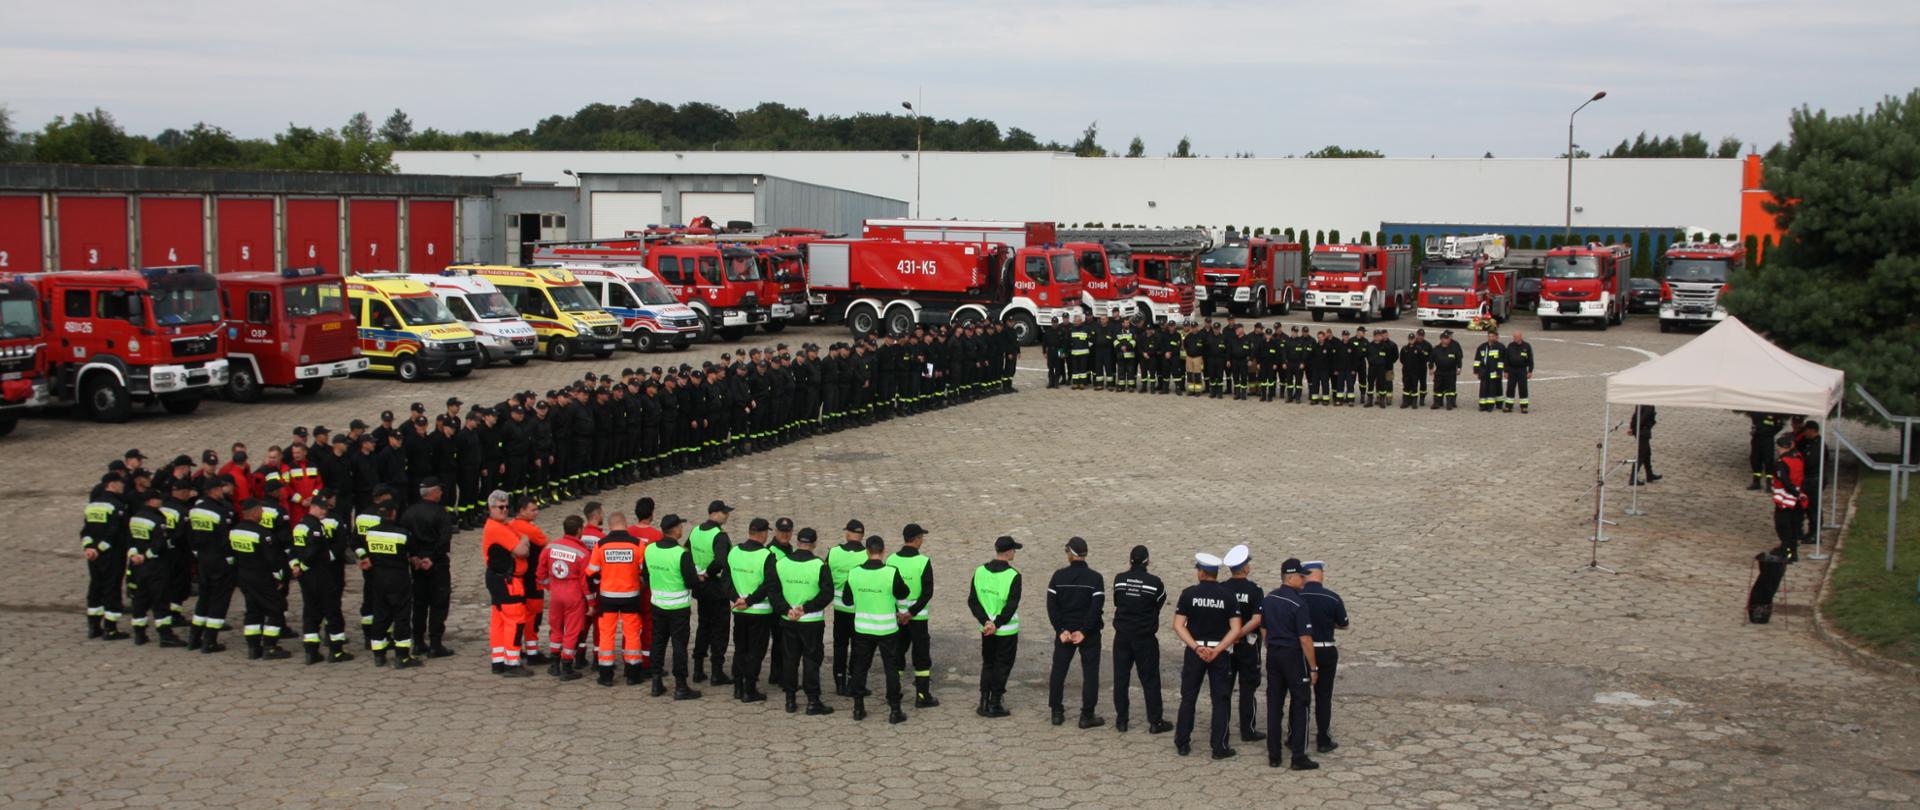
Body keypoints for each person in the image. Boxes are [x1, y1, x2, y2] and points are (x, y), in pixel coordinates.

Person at [1173, 552, 1241, 759]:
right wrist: (1218, 649)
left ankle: (1182, 743)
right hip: (1219, 654)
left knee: (1188, 698)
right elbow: (1236, 629)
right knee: (1220, 700)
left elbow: (1178, 625)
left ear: (1201, 572)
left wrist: (1195, 647)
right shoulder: (1228, 595)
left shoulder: (1189, 594)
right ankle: (1219, 747)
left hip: (1195, 652)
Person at [842, 535, 910, 723]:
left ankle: (858, 708)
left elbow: (847, 600)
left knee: (860, 668)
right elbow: (903, 592)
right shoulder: (891, 572)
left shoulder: (854, 573)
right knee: (891, 669)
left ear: (866, 551)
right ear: (883, 551)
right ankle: (895, 710)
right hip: (887, 629)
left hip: (863, 629)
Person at [1260, 558, 1320, 770]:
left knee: (1274, 704)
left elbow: (1264, 629)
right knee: (1301, 703)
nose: (1304, 580)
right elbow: (1305, 639)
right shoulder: (1299, 603)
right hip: (1293, 656)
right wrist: (1313, 667)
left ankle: (1274, 755)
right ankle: (1298, 756)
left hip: (1274, 654)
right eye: (1302, 576)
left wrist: (1271, 646)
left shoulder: (1269, 599)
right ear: (1291, 577)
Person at [772, 527, 836, 715]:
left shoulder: (781, 563)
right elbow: (827, 594)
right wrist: (806, 608)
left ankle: (790, 700)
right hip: (811, 621)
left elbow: (773, 591)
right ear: (814, 544)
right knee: (811, 660)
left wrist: (787, 609)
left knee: (790, 659)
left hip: (788, 619)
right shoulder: (819, 565)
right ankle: (813, 701)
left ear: (798, 542)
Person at [1110, 544, 1173, 734]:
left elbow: (1117, 600)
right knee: (1150, 679)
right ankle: (1155, 721)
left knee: (1121, 678)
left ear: (1129, 561)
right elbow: (1159, 602)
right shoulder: (1155, 582)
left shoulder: (1119, 580)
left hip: (1122, 636)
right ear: (1148, 561)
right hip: (1145, 637)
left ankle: (1122, 720)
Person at [353, 498, 423, 669]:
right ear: (393, 514)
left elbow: (364, 550)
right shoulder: (402, 534)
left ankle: (379, 655)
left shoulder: (371, 534)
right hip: (398, 579)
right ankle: (402, 656)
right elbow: (413, 554)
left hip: (378, 579)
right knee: (401, 616)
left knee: (380, 615)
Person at [1046, 536, 1106, 729]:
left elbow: (1051, 606)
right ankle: (1087, 715)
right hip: (1089, 635)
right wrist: (1084, 631)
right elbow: (1096, 607)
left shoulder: (1058, 576)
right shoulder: (1095, 578)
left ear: (1070, 554)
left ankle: (1056, 712)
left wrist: (1061, 629)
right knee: (1090, 674)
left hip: (1064, 633)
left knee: (1058, 671)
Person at [644, 514, 703, 699]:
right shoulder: (681, 554)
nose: (682, 530)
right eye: (681, 527)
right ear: (676, 529)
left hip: (658, 605)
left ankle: (656, 682)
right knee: (679, 646)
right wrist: (698, 577)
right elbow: (691, 581)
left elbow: (645, 575)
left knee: (658, 642)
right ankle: (681, 686)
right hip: (678, 608)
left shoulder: (650, 549)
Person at [290, 490, 352, 664]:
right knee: (332, 612)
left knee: (310, 612)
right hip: (320, 575)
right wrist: (303, 565)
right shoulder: (316, 527)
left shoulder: (299, 525)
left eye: (326, 508)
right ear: (313, 507)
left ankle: (311, 652)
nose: (324, 512)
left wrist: (295, 566)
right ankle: (337, 651)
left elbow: (293, 550)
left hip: (306, 578)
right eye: (321, 508)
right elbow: (312, 553)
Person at [588, 513, 650, 685]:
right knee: (632, 634)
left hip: (607, 598)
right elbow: (645, 573)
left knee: (606, 635)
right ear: (625, 524)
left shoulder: (600, 545)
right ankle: (632, 674)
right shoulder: (638, 544)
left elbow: (592, 573)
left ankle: (606, 675)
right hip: (631, 597)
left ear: (609, 526)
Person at [229, 498, 293, 660]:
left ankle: (253, 647)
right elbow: (272, 560)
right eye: (261, 511)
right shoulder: (262, 534)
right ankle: (270, 647)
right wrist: (279, 577)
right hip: (262, 577)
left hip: (244, 576)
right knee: (276, 608)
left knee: (253, 610)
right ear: (255, 512)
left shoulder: (235, 531)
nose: (263, 513)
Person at [969, 535, 1024, 718]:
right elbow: (1011, 605)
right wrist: (997, 624)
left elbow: (973, 601)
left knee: (988, 663)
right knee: (1003, 664)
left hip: (985, 629)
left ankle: (983, 701)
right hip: (1005, 630)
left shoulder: (979, 571)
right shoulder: (1013, 576)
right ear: (1008, 552)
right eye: (1014, 550)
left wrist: (985, 621)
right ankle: (995, 703)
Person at [401, 478, 455, 658]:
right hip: (436, 564)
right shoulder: (441, 513)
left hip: (416, 565)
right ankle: (435, 644)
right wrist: (431, 558)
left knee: (419, 603)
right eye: (439, 490)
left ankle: (418, 642)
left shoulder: (410, 512)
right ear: (432, 492)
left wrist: (414, 556)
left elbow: (405, 537)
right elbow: (444, 539)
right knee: (439, 603)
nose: (441, 493)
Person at [123, 487, 185, 647]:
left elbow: (131, 541)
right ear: (151, 501)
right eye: (158, 499)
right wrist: (146, 556)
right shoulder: (157, 520)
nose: (161, 502)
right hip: (156, 566)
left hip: (138, 566)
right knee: (161, 599)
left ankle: (139, 633)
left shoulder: (135, 518)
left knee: (140, 599)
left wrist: (135, 556)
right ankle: (165, 635)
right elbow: (159, 544)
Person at [481, 491, 534, 677]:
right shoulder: (497, 528)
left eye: (506, 507)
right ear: (491, 508)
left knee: (499, 620)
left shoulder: (502, 525)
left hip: (500, 579)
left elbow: (523, 540)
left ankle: (499, 661)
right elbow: (522, 551)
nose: (504, 510)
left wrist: (522, 541)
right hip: (507, 581)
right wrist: (522, 543)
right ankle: (512, 663)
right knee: (515, 620)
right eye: (500, 507)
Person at [886, 523, 938, 708]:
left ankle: (894, 693)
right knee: (921, 656)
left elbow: (887, 589)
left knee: (897, 654)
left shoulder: (891, 559)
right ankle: (923, 696)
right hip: (918, 618)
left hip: (897, 618)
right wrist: (912, 612)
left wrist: (900, 613)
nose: (922, 540)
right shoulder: (923, 561)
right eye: (921, 537)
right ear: (916, 539)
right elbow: (927, 592)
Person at [727, 517, 777, 702]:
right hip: (759, 612)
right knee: (756, 651)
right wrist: (750, 600)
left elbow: (726, 580)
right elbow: (769, 584)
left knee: (740, 648)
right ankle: (750, 689)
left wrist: (736, 598)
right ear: (763, 534)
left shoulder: (734, 552)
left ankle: (738, 686)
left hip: (739, 611)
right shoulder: (767, 555)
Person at [1300, 561, 1348, 754]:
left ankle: (1295, 736)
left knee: (1299, 695)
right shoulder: (1332, 597)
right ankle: (1323, 739)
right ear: (1321, 576)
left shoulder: (1297, 596)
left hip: (1302, 650)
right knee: (1324, 696)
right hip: (1325, 649)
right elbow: (1344, 624)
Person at [188, 476, 238, 653]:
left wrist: (197, 553)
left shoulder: (195, 510)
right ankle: (210, 640)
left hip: (202, 559)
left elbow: (191, 536)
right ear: (214, 491)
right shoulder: (220, 512)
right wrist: (231, 560)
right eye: (220, 488)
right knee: (219, 599)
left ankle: (194, 638)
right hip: (219, 560)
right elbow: (226, 540)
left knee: (204, 597)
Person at [1221, 544, 1266, 743]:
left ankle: (1222, 728)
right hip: (1248, 646)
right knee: (1248, 689)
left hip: (1226, 646)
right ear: (1245, 567)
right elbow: (1257, 619)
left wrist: (1231, 635)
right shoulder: (1254, 590)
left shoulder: (1222, 589)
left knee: (1224, 689)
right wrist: (1240, 632)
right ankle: (1247, 730)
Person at [688, 500, 736, 686]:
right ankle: (717, 672)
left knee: (703, 626)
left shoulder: (695, 531)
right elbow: (721, 561)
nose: (727, 515)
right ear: (715, 513)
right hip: (716, 588)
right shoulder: (720, 536)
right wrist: (708, 572)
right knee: (720, 630)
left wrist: (697, 571)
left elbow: (687, 550)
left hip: (700, 588)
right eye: (725, 512)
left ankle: (698, 669)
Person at [537, 515, 590, 681]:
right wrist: (591, 601)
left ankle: (554, 664)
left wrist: (549, 586)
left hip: (556, 593)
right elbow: (585, 582)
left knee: (556, 627)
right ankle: (567, 666)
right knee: (573, 630)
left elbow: (540, 573)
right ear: (580, 531)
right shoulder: (582, 553)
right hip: (574, 595)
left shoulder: (550, 546)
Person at [82, 472, 131, 640]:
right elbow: (114, 533)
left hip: (93, 556)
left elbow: (86, 531)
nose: (123, 486)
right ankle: (110, 629)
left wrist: (89, 548)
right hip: (112, 554)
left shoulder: (92, 505)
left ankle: (94, 627)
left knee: (95, 586)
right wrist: (100, 549)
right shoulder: (116, 505)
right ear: (112, 484)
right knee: (112, 588)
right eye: (120, 483)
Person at [827, 519, 867, 696]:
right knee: (858, 647)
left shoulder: (834, 552)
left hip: (839, 608)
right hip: (859, 609)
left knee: (840, 645)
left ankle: (839, 682)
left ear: (847, 534)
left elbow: (824, 575)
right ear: (862, 536)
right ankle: (854, 681)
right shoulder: (866, 555)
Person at [1770, 435, 1805, 562]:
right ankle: (1793, 552)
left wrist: (1794, 492)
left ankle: (1787, 553)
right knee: (1794, 526)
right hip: (1797, 500)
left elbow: (1784, 480)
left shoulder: (1782, 462)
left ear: (1780, 447)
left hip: (1785, 499)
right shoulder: (1798, 458)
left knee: (1783, 527)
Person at [1798, 422, 1824, 541]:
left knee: (1813, 507)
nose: (1804, 433)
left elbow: (1810, 462)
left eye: (1806, 431)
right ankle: (1811, 532)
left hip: (1814, 479)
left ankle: (1815, 533)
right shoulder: (1808, 442)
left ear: (1812, 430)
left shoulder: (1818, 445)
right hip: (1809, 479)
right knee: (1808, 507)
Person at [1748, 412, 1785, 490]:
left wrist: (1770, 433)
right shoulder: (1756, 411)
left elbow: (1780, 424)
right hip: (1757, 438)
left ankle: (1769, 483)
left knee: (1768, 461)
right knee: (1755, 460)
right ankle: (1756, 482)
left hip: (1768, 439)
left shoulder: (1773, 412)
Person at [1473, 330, 1506, 412]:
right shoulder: (1482, 347)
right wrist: (1476, 370)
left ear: (1496, 337)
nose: (1490, 338)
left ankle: (1492, 405)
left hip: (1494, 371)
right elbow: (1477, 359)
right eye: (1489, 336)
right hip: (1484, 371)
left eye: (1492, 336)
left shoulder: (1500, 347)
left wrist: (1499, 371)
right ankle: (1482, 405)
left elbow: (1502, 360)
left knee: (1493, 387)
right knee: (1483, 388)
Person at [1628, 405, 1662, 485]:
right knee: (1641, 453)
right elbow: (1642, 418)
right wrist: (1634, 428)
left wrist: (1632, 427)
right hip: (1643, 431)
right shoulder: (1648, 405)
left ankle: (1649, 475)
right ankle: (1633, 478)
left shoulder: (1641, 403)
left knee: (1647, 453)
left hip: (1640, 430)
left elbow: (1635, 415)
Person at [1503, 330, 1534, 413]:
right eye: (1514, 337)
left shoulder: (1526, 346)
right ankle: (1508, 406)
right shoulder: (1510, 345)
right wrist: (1505, 371)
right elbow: (1506, 359)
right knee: (1510, 388)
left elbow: (1530, 359)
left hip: (1522, 370)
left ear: (1520, 337)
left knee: (1523, 388)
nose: (1515, 338)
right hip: (1511, 370)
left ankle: (1524, 407)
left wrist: (1530, 371)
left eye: (1516, 337)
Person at [1431, 330, 1463, 410]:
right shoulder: (1436, 349)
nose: (1446, 340)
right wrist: (1431, 368)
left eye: (1447, 338)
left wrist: (1459, 368)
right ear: (1441, 339)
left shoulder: (1454, 348)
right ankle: (1437, 403)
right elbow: (1431, 360)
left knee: (1450, 388)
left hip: (1450, 372)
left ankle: (1450, 403)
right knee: (1438, 388)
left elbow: (1459, 359)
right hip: (1439, 372)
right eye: (1444, 338)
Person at [1400, 330, 1430, 409]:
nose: (1411, 340)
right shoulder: (1404, 348)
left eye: (1412, 339)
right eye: (1410, 339)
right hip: (1406, 370)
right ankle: (1406, 401)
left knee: (1415, 385)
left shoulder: (1420, 348)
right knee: (1406, 385)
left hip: (1417, 370)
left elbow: (1424, 358)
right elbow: (1402, 359)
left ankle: (1415, 401)